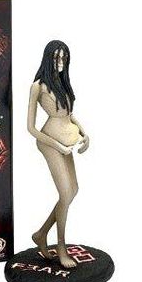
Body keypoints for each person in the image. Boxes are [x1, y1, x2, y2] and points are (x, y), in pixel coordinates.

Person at [27, 40, 89, 269]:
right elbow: (31, 128)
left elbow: (68, 115)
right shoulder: (38, 87)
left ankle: (41, 234)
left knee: (73, 190)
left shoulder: (62, 83)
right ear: (48, 58)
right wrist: (58, 146)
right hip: (50, 142)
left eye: (64, 57)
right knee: (65, 194)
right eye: (56, 57)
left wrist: (84, 133)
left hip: (67, 141)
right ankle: (60, 247)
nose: (60, 62)